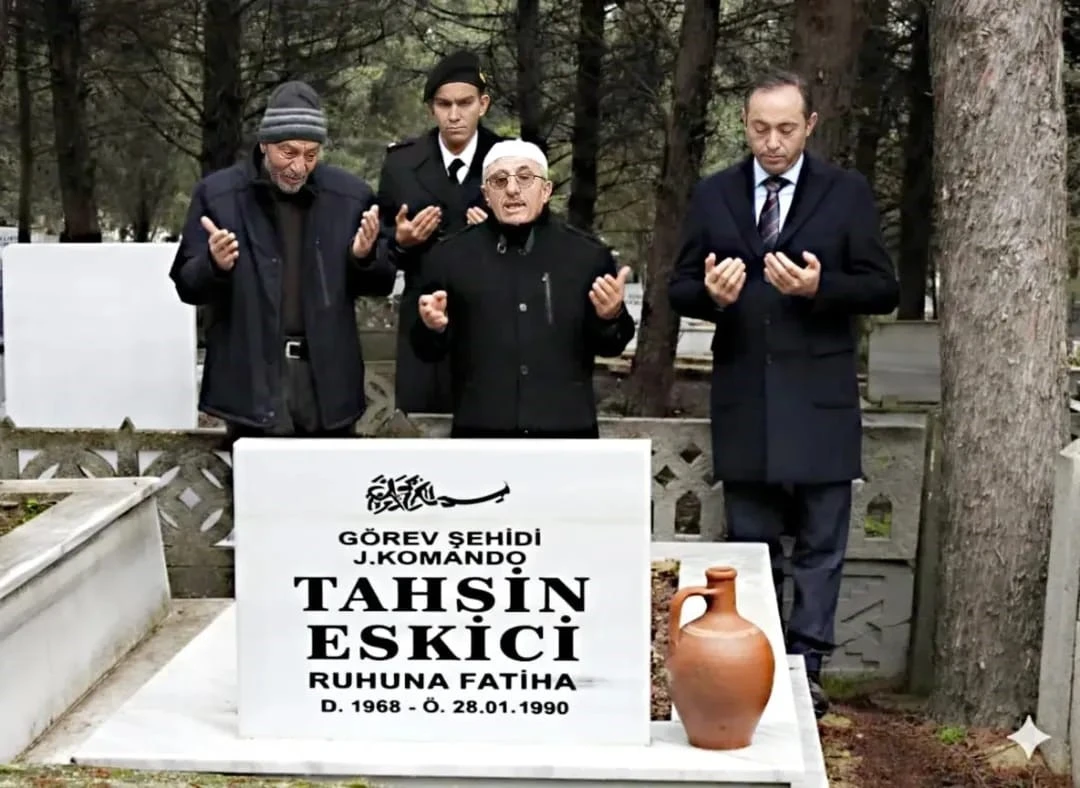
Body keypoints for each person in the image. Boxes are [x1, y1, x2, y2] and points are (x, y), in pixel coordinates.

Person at [668, 69, 899, 718]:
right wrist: (710, 297)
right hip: (744, 397)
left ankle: (808, 670)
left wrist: (820, 289)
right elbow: (679, 286)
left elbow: (883, 288)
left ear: (810, 126)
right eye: (760, 129)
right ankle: (759, 663)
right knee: (751, 544)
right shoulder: (715, 194)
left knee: (822, 546)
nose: (772, 142)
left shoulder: (845, 193)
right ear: (745, 125)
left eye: (786, 129)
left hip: (821, 398)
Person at [169, 80, 396, 442]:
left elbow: (381, 282)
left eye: (311, 154)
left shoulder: (351, 197)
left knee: (327, 476)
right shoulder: (219, 195)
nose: (298, 166)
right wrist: (214, 264)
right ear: (264, 144)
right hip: (252, 381)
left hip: (327, 383)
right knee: (256, 477)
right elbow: (186, 283)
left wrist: (364, 257)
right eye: (288, 152)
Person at [411, 139, 636, 438]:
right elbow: (425, 352)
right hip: (482, 432)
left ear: (546, 190)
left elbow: (612, 346)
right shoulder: (449, 257)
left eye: (525, 177)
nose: (512, 189)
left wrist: (611, 316)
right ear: (486, 195)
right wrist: (433, 328)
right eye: (499, 180)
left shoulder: (587, 255)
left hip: (566, 432)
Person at [377, 50, 508, 416]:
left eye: (464, 103)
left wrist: (497, 237)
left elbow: (538, 241)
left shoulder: (509, 160)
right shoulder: (402, 164)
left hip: (491, 324)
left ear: (483, 104)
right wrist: (401, 240)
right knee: (422, 428)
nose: (454, 115)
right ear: (431, 108)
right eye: (443, 104)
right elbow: (377, 249)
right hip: (424, 324)